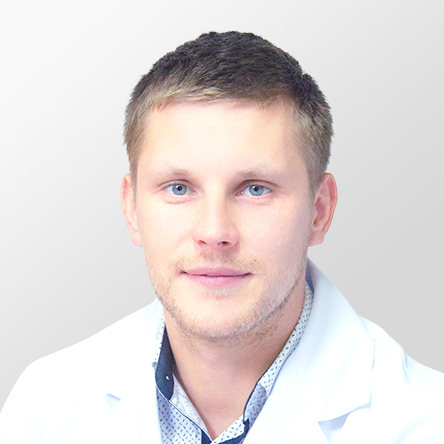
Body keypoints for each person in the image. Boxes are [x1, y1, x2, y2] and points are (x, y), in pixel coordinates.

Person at [0, 31, 443, 444]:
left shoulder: (424, 423)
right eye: (179, 188)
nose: (214, 233)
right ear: (132, 210)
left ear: (319, 211)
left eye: (255, 189)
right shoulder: (47, 411)